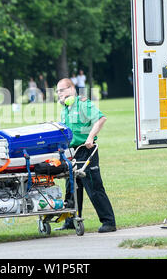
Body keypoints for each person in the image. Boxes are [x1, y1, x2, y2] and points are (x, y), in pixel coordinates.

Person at [54, 78, 116, 233]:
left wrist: (90, 137)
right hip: (71, 152)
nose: (59, 94)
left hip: (85, 150)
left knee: (93, 186)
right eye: (57, 92)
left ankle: (109, 222)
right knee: (72, 187)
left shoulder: (83, 104)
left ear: (71, 89)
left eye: (61, 90)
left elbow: (101, 118)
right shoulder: (65, 109)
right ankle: (70, 221)